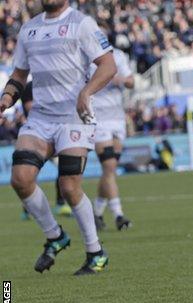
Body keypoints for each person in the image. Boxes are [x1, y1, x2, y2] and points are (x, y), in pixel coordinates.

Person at [0, 0, 117, 275]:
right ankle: (55, 236)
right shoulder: (29, 29)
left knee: (68, 185)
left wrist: (86, 92)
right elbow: (19, 74)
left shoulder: (82, 24)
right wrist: (6, 98)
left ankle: (95, 252)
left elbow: (108, 65)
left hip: (73, 117)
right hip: (40, 117)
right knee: (21, 178)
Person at [91, 22, 134, 232]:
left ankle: (96, 212)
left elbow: (132, 82)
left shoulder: (118, 55)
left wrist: (120, 79)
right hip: (98, 118)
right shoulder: (86, 57)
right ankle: (118, 215)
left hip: (117, 117)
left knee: (110, 170)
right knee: (109, 167)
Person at [19, 81, 73, 221]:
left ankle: (60, 203)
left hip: (52, 134)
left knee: (63, 166)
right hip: (35, 134)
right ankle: (27, 209)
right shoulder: (30, 86)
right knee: (29, 173)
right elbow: (29, 107)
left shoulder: (52, 86)